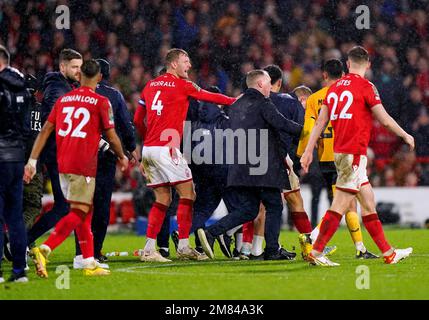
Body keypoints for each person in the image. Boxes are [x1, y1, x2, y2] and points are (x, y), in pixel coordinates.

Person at [300, 46, 414, 266]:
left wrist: (307, 151)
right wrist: (405, 134)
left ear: (348, 64)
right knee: (341, 204)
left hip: (340, 152)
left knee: (368, 202)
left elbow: (320, 123)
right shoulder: (366, 87)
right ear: (368, 65)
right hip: (353, 154)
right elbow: (385, 120)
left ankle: (388, 253)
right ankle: (316, 251)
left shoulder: (333, 89)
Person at [25, 59, 129, 277]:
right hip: (83, 164)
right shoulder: (101, 102)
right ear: (99, 77)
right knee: (79, 211)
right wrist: (121, 155)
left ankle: (86, 260)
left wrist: (33, 161)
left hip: (62, 164)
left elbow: (45, 130)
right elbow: (111, 135)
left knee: (84, 212)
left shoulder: (64, 100)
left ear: (80, 76)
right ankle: (46, 248)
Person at [137, 48, 236, 262]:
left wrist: (148, 144)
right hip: (167, 148)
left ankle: (149, 249)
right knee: (188, 194)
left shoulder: (150, 85)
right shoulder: (183, 85)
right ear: (173, 64)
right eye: (185, 61)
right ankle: (183, 246)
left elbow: (137, 120)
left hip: (149, 149)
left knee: (163, 198)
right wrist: (235, 101)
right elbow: (209, 97)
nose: (189, 65)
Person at [197, 69, 302, 260]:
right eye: (268, 82)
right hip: (262, 165)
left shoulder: (236, 105)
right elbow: (281, 123)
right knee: (274, 205)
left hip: (240, 167)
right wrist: (307, 132)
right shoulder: (262, 102)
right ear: (260, 84)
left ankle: (212, 232)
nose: (271, 86)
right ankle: (271, 250)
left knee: (249, 209)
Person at [297, 59, 378, 259]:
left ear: (324, 75)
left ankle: (360, 248)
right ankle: (312, 237)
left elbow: (308, 128)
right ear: (343, 75)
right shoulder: (345, 93)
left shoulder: (314, 99)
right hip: (345, 153)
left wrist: (304, 153)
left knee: (348, 202)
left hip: (324, 158)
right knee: (342, 203)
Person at [73, 58, 137, 268]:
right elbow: (125, 125)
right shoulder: (114, 95)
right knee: (101, 205)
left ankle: (80, 251)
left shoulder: (75, 94)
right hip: (105, 158)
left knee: (81, 205)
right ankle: (95, 251)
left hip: (79, 155)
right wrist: (129, 149)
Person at [26, 49, 82, 247]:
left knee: (63, 207)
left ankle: (20, 242)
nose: (78, 71)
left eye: (80, 67)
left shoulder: (65, 86)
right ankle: (19, 242)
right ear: (62, 67)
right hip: (57, 155)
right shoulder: (57, 88)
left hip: (58, 155)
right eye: (74, 67)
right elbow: (51, 120)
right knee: (64, 206)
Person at [0, 45, 31, 282]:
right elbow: (27, 128)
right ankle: (19, 270)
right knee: (15, 217)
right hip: (17, 157)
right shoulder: (22, 86)